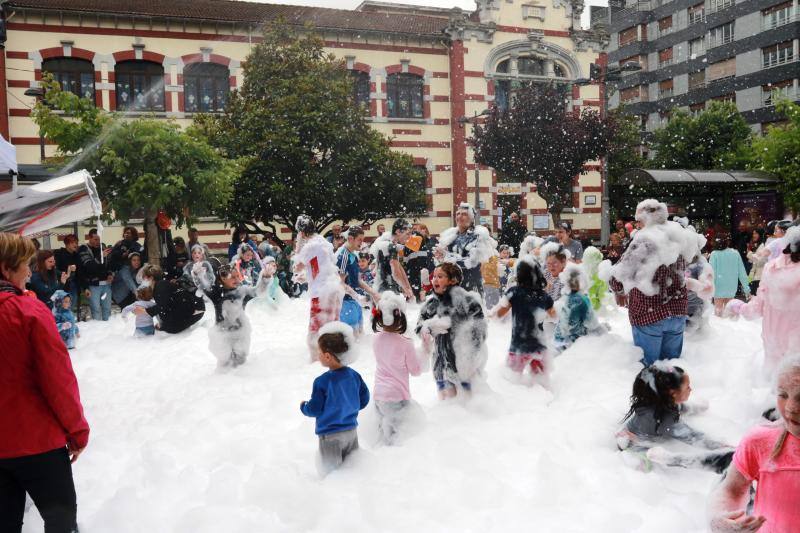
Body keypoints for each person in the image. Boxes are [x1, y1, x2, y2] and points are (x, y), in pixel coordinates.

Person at [0, 232, 89, 532]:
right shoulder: (28, 312)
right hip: (37, 443)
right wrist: (77, 430)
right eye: (24, 264)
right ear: (5, 268)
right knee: (61, 521)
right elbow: (57, 379)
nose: (28, 271)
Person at [708, 354, 800, 532]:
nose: (790, 407)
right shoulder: (761, 441)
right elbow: (731, 490)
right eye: (783, 394)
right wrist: (718, 518)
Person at [609, 200, 695, 366]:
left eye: (638, 220)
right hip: (677, 310)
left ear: (646, 218)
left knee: (650, 369)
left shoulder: (644, 239)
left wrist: (618, 289)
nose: (637, 225)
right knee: (672, 368)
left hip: (649, 310)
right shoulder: (679, 235)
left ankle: (651, 390)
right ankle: (671, 391)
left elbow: (621, 274)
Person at [616, 362, 733, 473]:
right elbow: (692, 436)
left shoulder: (660, 399)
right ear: (673, 393)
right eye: (687, 387)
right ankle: (638, 461)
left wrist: (691, 408)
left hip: (642, 425)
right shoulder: (664, 420)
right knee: (647, 460)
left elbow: (677, 406)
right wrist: (719, 446)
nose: (691, 389)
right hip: (633, 443)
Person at [727, 226, 800, 377]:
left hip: (775, 347)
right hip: (794, 348)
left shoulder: (772, 270)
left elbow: (756, 309)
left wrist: (737, 306)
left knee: (776, 391)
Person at [300, 323, 370, 474]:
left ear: (327, 356)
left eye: (319, 352)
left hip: (330, 436)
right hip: (351, 431)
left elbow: (315, 409)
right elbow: (364, 399)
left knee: (332, 474)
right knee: (353, 470)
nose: (318, 355)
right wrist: (350, 406)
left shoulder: (322, 382)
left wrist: (304, 407)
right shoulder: (354, 375)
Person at [416, 262, 488, 399]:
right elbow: (419, 327)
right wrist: (430, 327)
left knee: (467, 401)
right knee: (446, 402)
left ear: (453, 280)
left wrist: (466, 337)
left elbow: (480, 328)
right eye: (434, 276)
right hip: (440, 362)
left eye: (440, 276)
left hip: (463, 362)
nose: (434, 280)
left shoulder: (467, 302)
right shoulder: (431, 305)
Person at [372, 291, 423, 444]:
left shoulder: (375, 339)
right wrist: (425, 350)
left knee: (382, 433)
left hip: (379, 395)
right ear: (401, 318)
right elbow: (416, 371)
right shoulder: (405, 343)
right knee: (397, 438)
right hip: (397, 396)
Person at [494, 257, 555, 386]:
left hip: (519, 347)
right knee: (541, 383)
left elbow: (498, 314)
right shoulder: (544, 296)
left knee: (511, 382)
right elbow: (554, 316)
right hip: (539, 346)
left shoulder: (514, 293)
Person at [293, 215, 345, 361]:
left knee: (315, 331)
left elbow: (297, 266)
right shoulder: (323, 242)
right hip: (333, 289)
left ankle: (317, 362)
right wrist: (308, 277)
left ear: (301, 232)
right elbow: (321, 267)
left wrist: (298, 243)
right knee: (332, 328)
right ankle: (335, 359)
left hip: (321, 293)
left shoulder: (310, 246)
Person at [435, 203, 497, 296]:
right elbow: (446, 263)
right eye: (458, 214)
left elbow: (472, 262)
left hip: (471, 285)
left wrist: (447, 256)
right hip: (453, 285)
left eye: (464, 214)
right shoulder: (451, 236)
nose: (460, 217)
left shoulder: (478, 236)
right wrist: (441, 259)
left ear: (472, 219)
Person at [136, 265, 205, 334]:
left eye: (143, 277)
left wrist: (145, 311)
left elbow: (162, 306)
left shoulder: (160, 286)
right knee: (169, 325)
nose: (142, 280)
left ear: (151, 278)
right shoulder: (161, 284)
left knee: (171, 328)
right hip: (194, 309)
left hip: (194, 311)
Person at [553, 264, 603, 352]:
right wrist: (601, 331)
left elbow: (564, 320)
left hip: (564, 339)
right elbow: (592, 322)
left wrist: (559, 337)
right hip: (577, 341)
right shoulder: (582, 299)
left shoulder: (568, 298)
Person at [337, 226, 377, 333]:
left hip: (354, 301)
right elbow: (340, 284)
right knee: (352, 336)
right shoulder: (343, 257)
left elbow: (357, 280)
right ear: (350, 239)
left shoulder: (353, 256)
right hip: (345, 302)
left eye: (362, 240)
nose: (362, 242)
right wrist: (357, 296)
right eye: (359, 239)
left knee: (360, 334)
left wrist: (373, 293)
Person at [370, 218, 414, 299]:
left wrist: (408, 287)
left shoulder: (389, 244)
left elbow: (399, 268)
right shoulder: (391, 247)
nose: (410, 237)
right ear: (397, 232)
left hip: (383, 287)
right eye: (408, 234)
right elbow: (395, 272)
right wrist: (406, 289)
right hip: (386, 289)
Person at [709, 234, 750, 316]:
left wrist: (709, 289)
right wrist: (746, 289)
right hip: (731, 287)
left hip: (718, 287)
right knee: (731, 314)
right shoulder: (735, 253)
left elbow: (711, 272)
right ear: (727, 242)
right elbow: (742, 272)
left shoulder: (714, 254)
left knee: (718, 314)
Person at [78, 230, 114, 321]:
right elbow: (88, 266)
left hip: (106, 283)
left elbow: (109, 264)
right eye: (95, 239)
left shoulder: (103, 247)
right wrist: (101, 256)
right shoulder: (83, 248)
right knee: (96, 309)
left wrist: (110, 274)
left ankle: (109, 330)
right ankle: (97, 331)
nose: (97, 242)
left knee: (107, 309)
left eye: (99, 239)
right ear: (89, 238)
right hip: (93, 285)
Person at [54, 235, 82, 314]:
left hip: (74, 284)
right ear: (67, 244)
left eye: (76, 243)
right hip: (62, 284)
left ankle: (68, 321)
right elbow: (55, 270)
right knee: (61, 306)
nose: (75, 245)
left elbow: (80, 271)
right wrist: (67, 270)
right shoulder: (59, 254)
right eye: (72, 243)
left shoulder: (76, 255)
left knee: (71, 307)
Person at [746, 228, 767, 296]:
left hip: (759, 276)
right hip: (753, 276)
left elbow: (760, 261)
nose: (753, 235)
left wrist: (749, 253)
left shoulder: (763, 246)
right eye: (753, 233)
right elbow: (753, 261)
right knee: (752, 296)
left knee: (755, 298)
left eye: (756, 233)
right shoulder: (757, 245)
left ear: (760, 235)